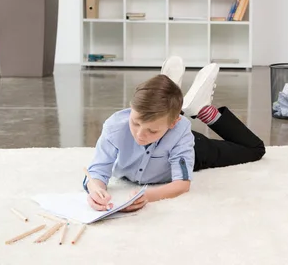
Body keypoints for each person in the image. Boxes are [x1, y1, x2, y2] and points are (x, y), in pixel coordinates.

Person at [82, 56, 266, 212]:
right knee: (157, 117)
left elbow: (182, 184)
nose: (139, 135)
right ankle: (168, 94)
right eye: (135, 123)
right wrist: (95, 190)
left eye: (151, 131)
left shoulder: (180, 131)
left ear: (174, 123)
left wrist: (149, 196)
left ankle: (201, 108)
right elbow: (97, 171)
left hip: (193, 148)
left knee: (254, 149)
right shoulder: (115, 127)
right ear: (131, 109)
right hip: (167, 123)